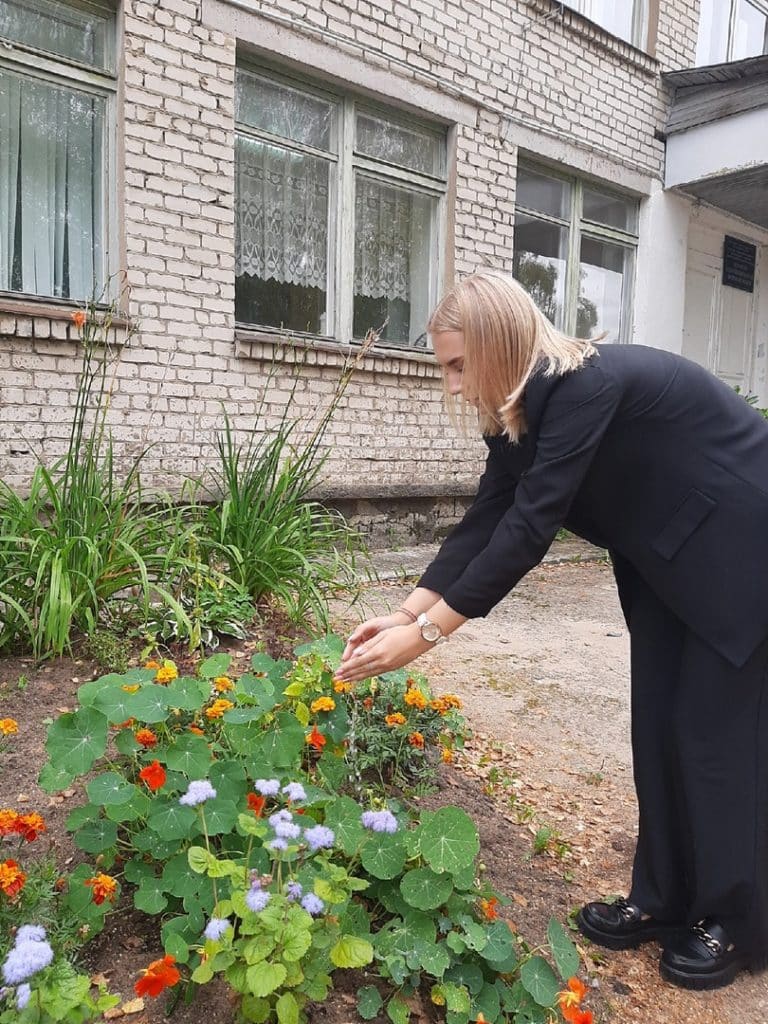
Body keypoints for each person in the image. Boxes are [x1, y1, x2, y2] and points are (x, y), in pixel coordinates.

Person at [334, 270, 768, 991]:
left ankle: (734, 924)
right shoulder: (517, 419)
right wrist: (408, 611)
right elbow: (488, 520)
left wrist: (430, 637)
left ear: (498, 346)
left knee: (712, 735)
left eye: (455, 364)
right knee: (658, 724)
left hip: (741, 547)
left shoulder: (583, 388)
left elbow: (531, 529)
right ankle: (661, 902)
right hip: (662, 554)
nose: (450, 385)